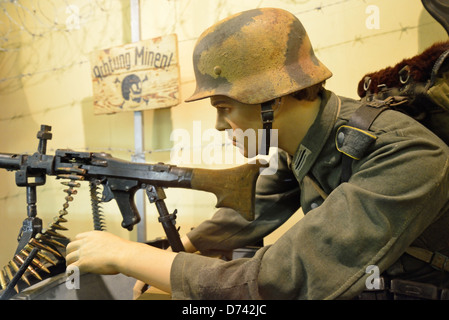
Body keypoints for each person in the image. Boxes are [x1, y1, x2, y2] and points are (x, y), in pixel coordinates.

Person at [66, 8, 449, 300]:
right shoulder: (309, 141)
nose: (218, 125)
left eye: (224, 107)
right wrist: (187, 244)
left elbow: (279, 279)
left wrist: (129, 257)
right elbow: (258, 203)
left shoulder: (402, 153)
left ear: (272, 101)